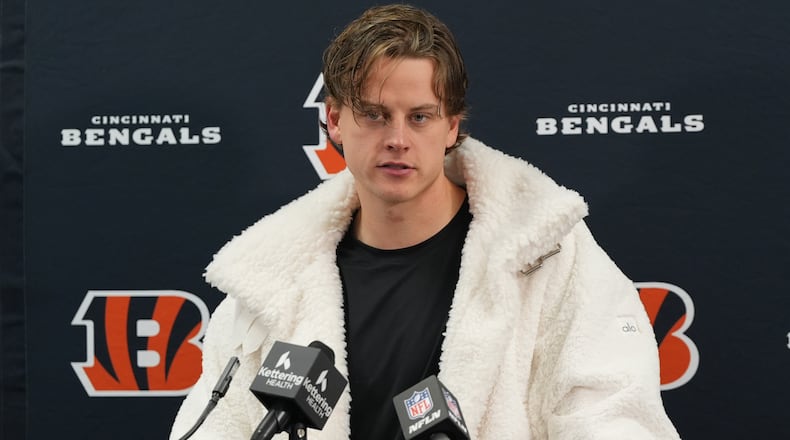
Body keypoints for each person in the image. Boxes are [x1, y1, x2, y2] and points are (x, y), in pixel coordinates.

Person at [170, 4, 681, 439]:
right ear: (333, 120)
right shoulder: (268, 282)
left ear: (452, 125)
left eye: (419, 116)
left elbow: (615, 417)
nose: (397, 138)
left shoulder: (545, 253)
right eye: (373, 114)